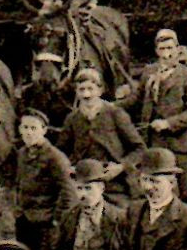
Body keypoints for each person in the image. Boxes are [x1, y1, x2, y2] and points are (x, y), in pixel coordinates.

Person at [55, 68, 141, 203]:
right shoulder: (72, 118)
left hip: (114, 186)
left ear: (100, 90)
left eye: (91, 89)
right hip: (84, 184)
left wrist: (121, 166)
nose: (86, 94)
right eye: (81, 90)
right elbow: (60, 151)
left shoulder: (116, 114)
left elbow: (139, 149)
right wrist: (69, 167)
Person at [137, 28, 187, 196]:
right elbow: (136, 99)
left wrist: (168, 123)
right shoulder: (149, 73)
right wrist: (108, 105)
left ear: (177, 49)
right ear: (156, 51)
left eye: (170, 48)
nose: (167, 54)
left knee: (186, 195)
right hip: (156, 145)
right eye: (162, 49)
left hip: (182, 145)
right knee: (157, 193)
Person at [4, 109, 74, 250]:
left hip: (45, 224)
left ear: (44, 130)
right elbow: (16, 183)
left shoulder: (55, 157)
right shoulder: (21, 153)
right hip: (23, 219)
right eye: (25, 127)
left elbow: (69, 193)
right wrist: (15, 207)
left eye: (33, 128)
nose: (28, 132)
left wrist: (56, 220)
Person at [43, 159, 126, 250]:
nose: (83, 194)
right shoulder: (68, 216)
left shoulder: (119, 218)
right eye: (79, 188)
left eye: (88, 188)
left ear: (101, 188)